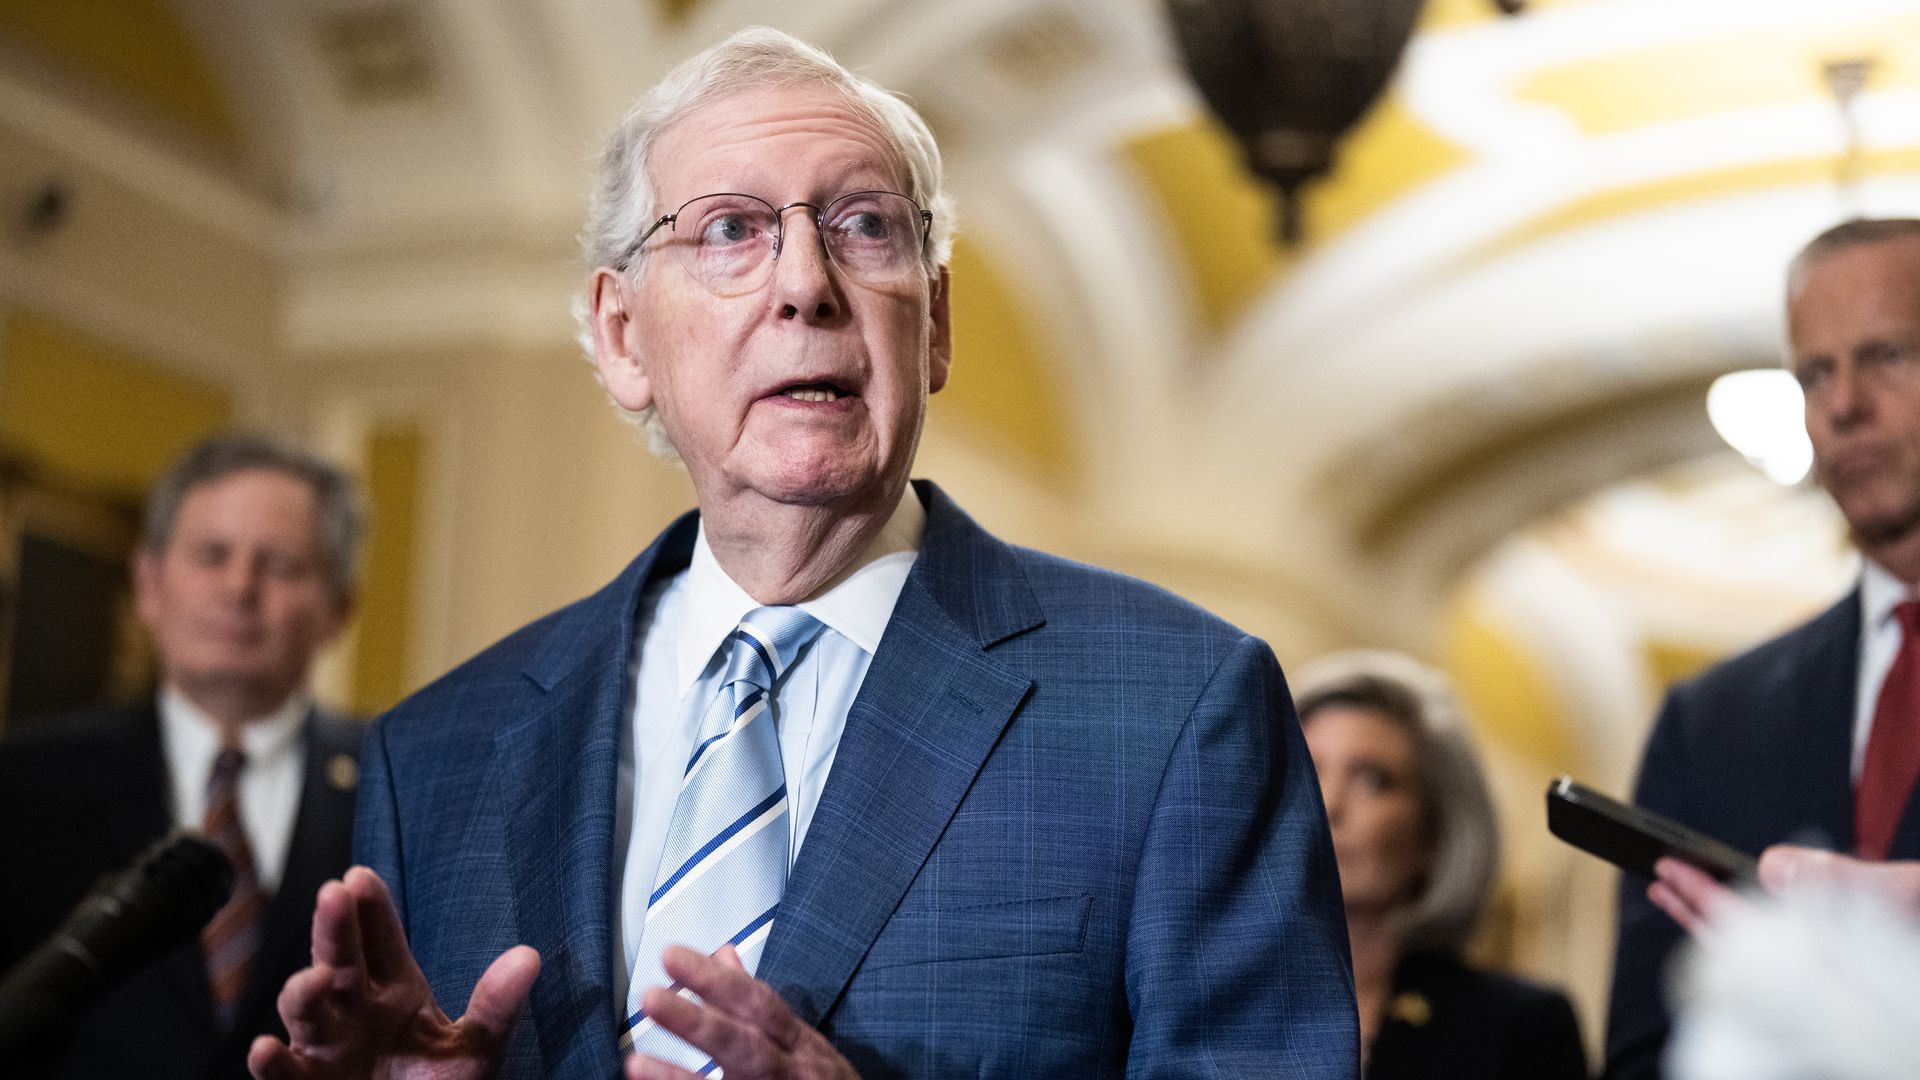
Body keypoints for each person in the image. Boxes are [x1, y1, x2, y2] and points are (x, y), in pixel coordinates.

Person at [246, 26, 1358, 1080]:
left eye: (866, 226)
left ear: (935, 326)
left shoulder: (1174, 708)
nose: (805, 284)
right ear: (625, 336)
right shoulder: (438, 753)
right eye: (731, 230)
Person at [1606, 217, 1920, 1079]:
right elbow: (1645, 1051)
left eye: (1888, 355)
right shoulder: (1709, 723)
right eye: (1814, 371)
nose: (1842, 403)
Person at [0, 432, 364, 1080]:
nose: (239, 587)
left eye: (279, 564)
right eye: (212, 554)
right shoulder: (23, 784)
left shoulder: (401, 785)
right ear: (148, 583)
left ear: (338, 608)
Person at [1295, 651, 1587, 1080]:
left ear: (1432, 837)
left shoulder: (1521, 1029)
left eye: (1373, 780)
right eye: (1306, 770)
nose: (1328, 806)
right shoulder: (1205, 1000)